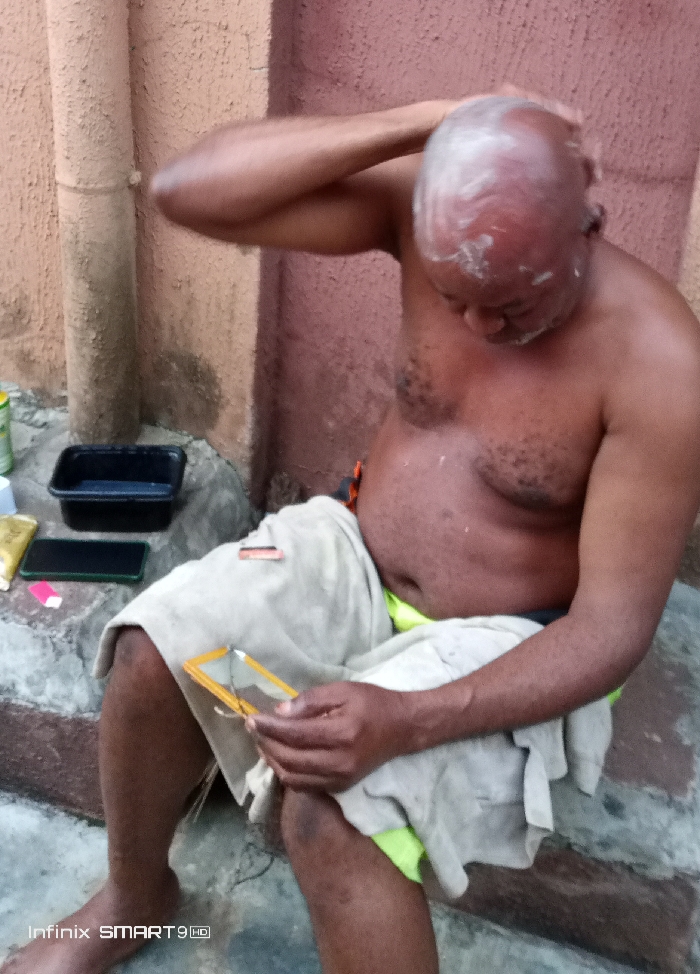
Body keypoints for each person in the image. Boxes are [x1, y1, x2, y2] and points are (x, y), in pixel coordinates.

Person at [7, 92, 700, 974]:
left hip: (510, 634)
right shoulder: (419, 214)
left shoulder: (663, 367)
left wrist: (409, 718)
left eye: (515, 303)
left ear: (589, 226)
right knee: (152, 649)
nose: (482, 328)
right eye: (454, 298)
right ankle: (135, 900)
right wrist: (425, 122)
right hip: (354, 549)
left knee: (329, 813)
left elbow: (611, 632)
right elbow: (188, 193)